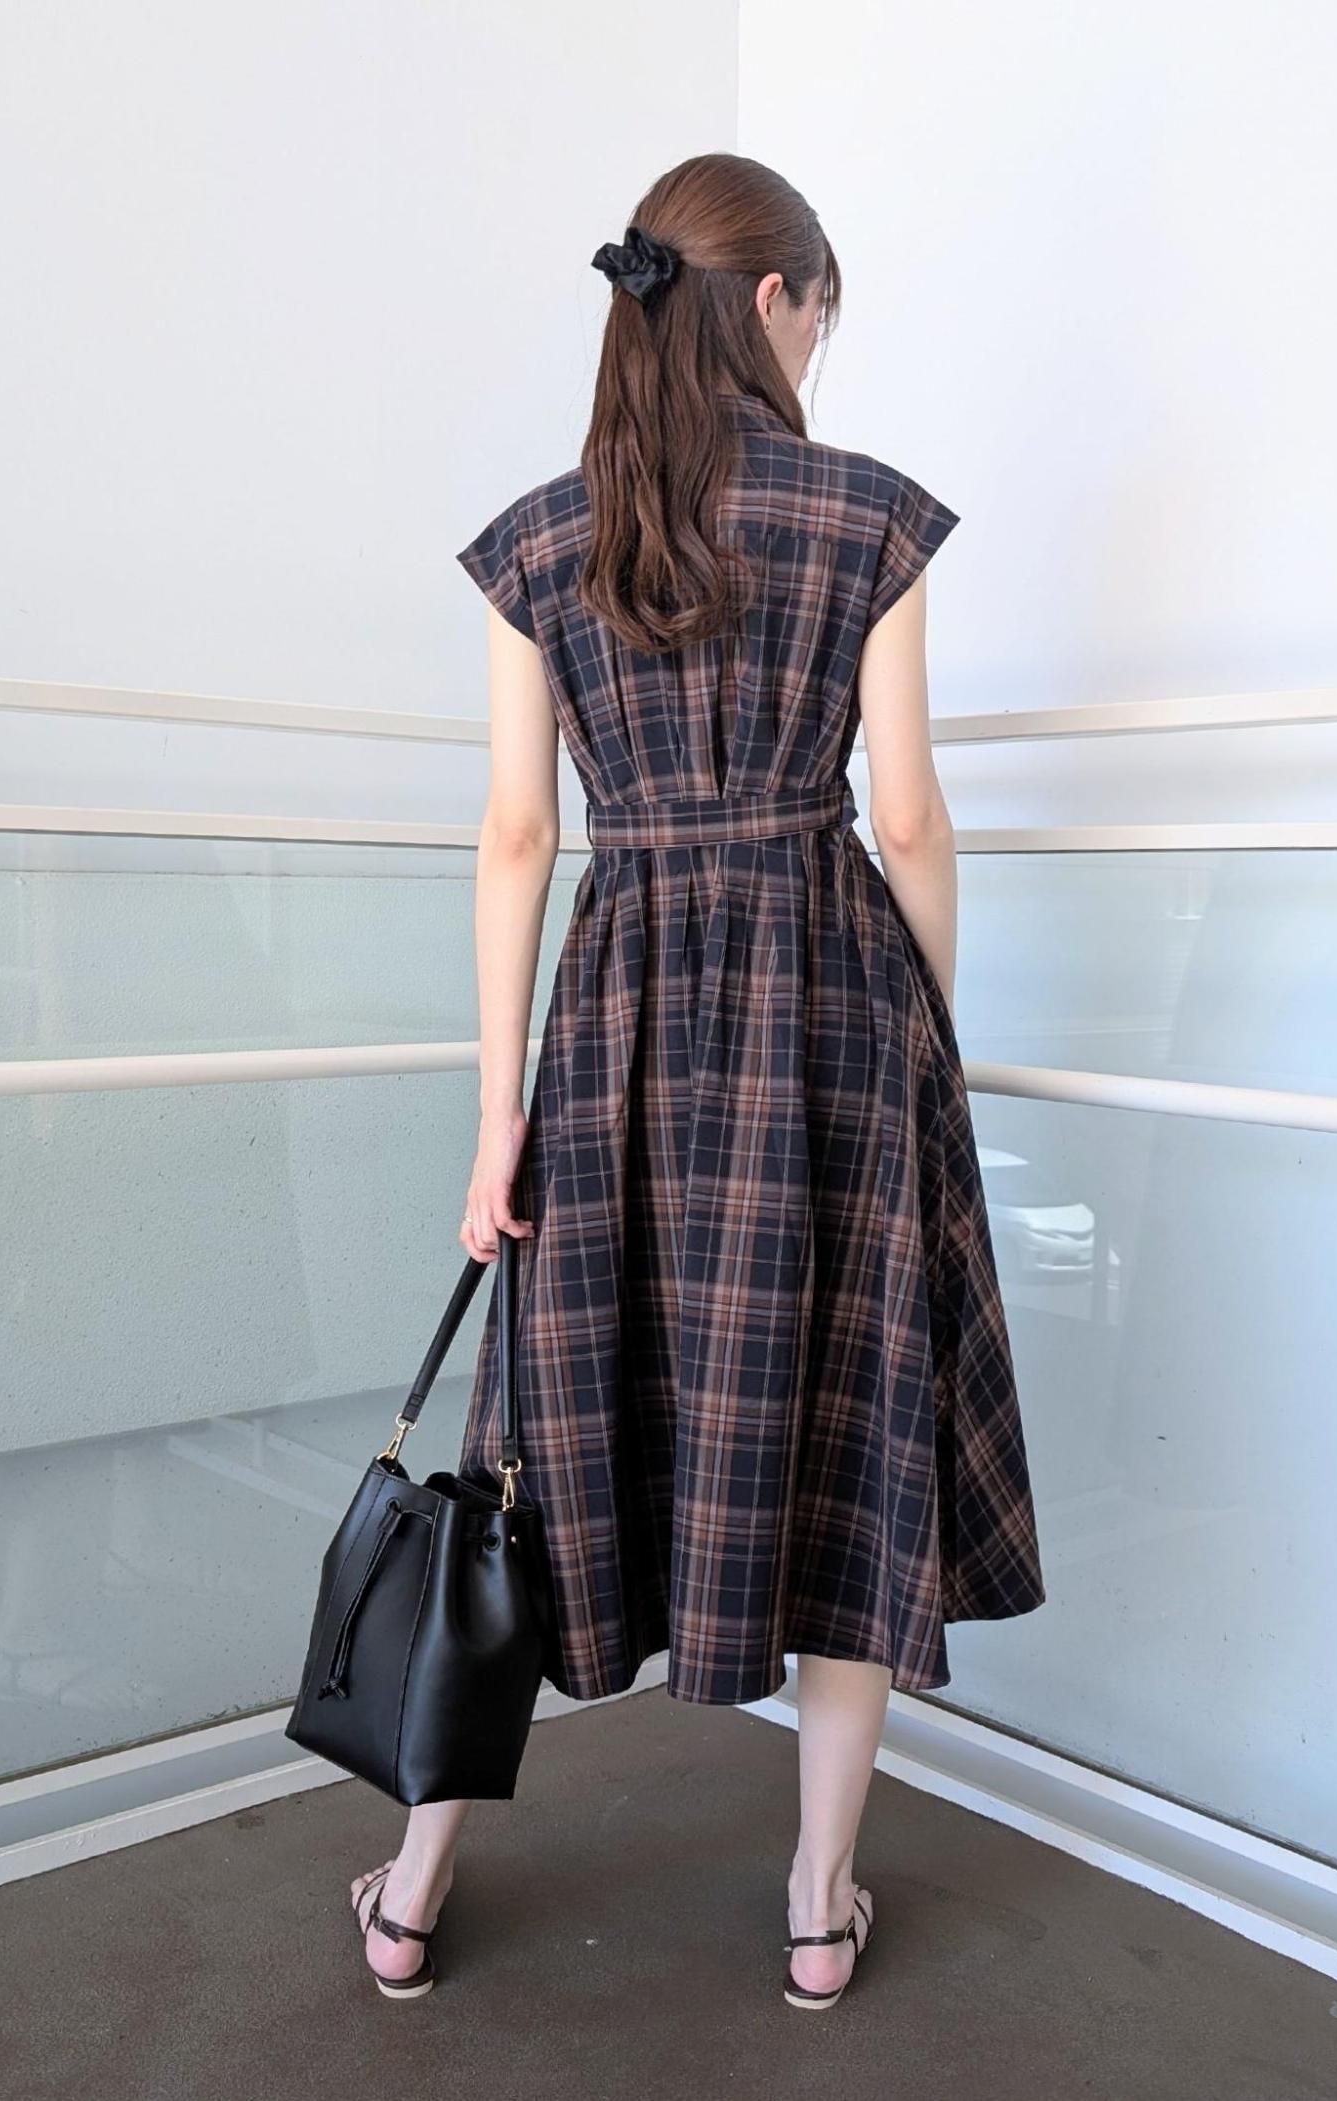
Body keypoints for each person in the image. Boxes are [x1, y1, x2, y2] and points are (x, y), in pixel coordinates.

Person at [350, 150, 1045, 2010]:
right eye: (821, 318)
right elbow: (909, 818)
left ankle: (409, 1891)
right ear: (776, 302)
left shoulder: (538, 543)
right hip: (832, 1016)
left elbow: (517, 838)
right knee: (853, 1434)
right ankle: (818, 1906)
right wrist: (928, 1048)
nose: (820, 352)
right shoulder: (869, 518)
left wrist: (499, 1114)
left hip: (617, 1025)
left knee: (533, 1443)